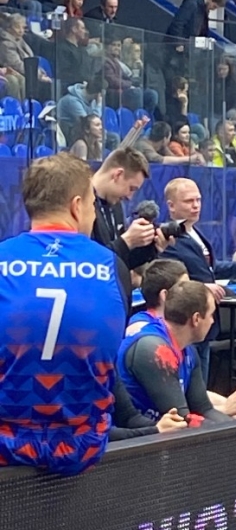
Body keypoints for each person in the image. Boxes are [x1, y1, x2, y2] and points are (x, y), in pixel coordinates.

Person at [0, 153, 130, 475]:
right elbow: (108, 350)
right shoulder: (111, 267)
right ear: (76, 206)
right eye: (92, 206)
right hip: (82, 444)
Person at [117, 281, 236, 423]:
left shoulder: (187, 348)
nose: (213, 321)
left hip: (160, 435)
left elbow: (204, 409)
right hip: (130, 440)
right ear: (196, 319)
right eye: (211, 315)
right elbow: (183, 420)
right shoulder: (154, 349)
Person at [160, 178, 236, 382]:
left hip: (205, 322)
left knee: (202, 381)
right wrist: (202, 287)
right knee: (191, 382)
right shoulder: (166, 240)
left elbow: (210, 269)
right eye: (189, 201)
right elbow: (169, 277)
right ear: (171, 206)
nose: (196, 206)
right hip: (185, 321)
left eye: (198, 200)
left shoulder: (196, 234)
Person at [91, 147, 169, 271]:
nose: (129, 197)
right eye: (131, 189)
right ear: (118, 175)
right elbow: (89, 262)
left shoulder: (116, 205)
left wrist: (151, 247)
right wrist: (127, 240)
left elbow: (121, 261)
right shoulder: (82, 205)